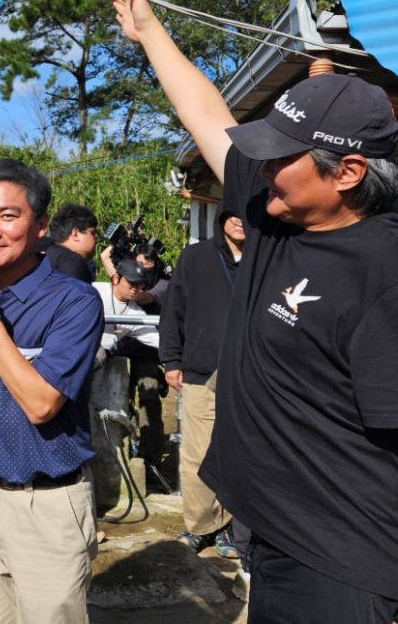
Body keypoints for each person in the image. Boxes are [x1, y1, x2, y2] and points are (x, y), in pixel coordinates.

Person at [112, 0, 398, 624]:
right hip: (268, 533)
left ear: (349, 173)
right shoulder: (277, 211)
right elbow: (208, 114)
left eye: (282, 156)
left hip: (339, 561)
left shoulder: (384, 273)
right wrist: (149, 32)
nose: (262, 167)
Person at [0, 159, 104, 624]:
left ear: (41, 226)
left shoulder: (73, 300)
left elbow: (42, 404)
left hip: (46, 505)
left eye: (8, 215)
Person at [160, 206, 247, 555]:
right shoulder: (196, 257)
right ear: (221, 217)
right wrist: (171, 359)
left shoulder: (266, 258)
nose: (240, 221)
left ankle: (233, 529)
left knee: (241, 453)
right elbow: (173, 310)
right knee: (197, 454)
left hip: (250, 373)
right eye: (233, 214)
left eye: (247, 215)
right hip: (201, 370)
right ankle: (201, 525)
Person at [94, 257, 166, 482]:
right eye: (132, 283)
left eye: (141, 285)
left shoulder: (135, 313)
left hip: (100, 365)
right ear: (116, 279)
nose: (136, 289)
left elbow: (158, 340)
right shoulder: (95, 292)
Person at [41, 202, 98, 283]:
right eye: (92, 233)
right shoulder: (72, 262)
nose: (96, 239)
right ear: (75, 234)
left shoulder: (48, 256)